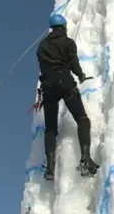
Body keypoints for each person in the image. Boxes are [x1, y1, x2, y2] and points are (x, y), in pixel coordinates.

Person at [36, 14, 100, 181]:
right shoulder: (69, 42)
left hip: (48, 87)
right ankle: (85, 159)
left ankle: (50, 168)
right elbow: (73, 63)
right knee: (82, 119)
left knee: (50, 128)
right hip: (64, 82)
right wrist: (81, 75)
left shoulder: (42, 46)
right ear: (63, 27)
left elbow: (43, 66)